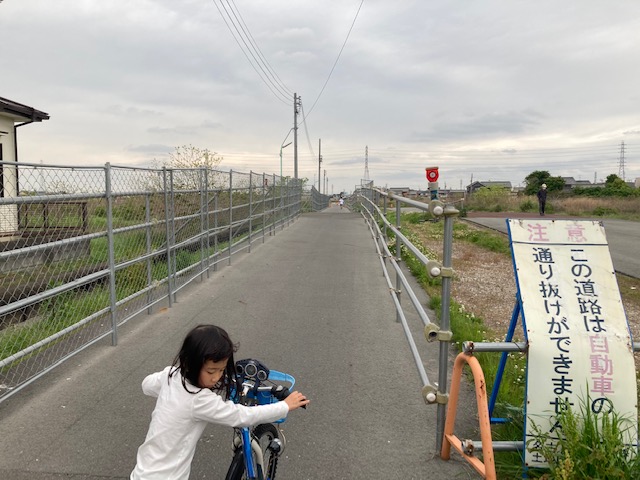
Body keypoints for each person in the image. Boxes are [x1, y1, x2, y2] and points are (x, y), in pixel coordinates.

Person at [131, 324, 309, 480]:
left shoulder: (171, 375)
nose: (217, 377)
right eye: (211, 372)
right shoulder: (199, 400)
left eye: (222, 370)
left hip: (142, 472)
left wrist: (168, 396)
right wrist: (285, 405)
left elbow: (146, 385)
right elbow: (242, 416)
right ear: (189, 364)